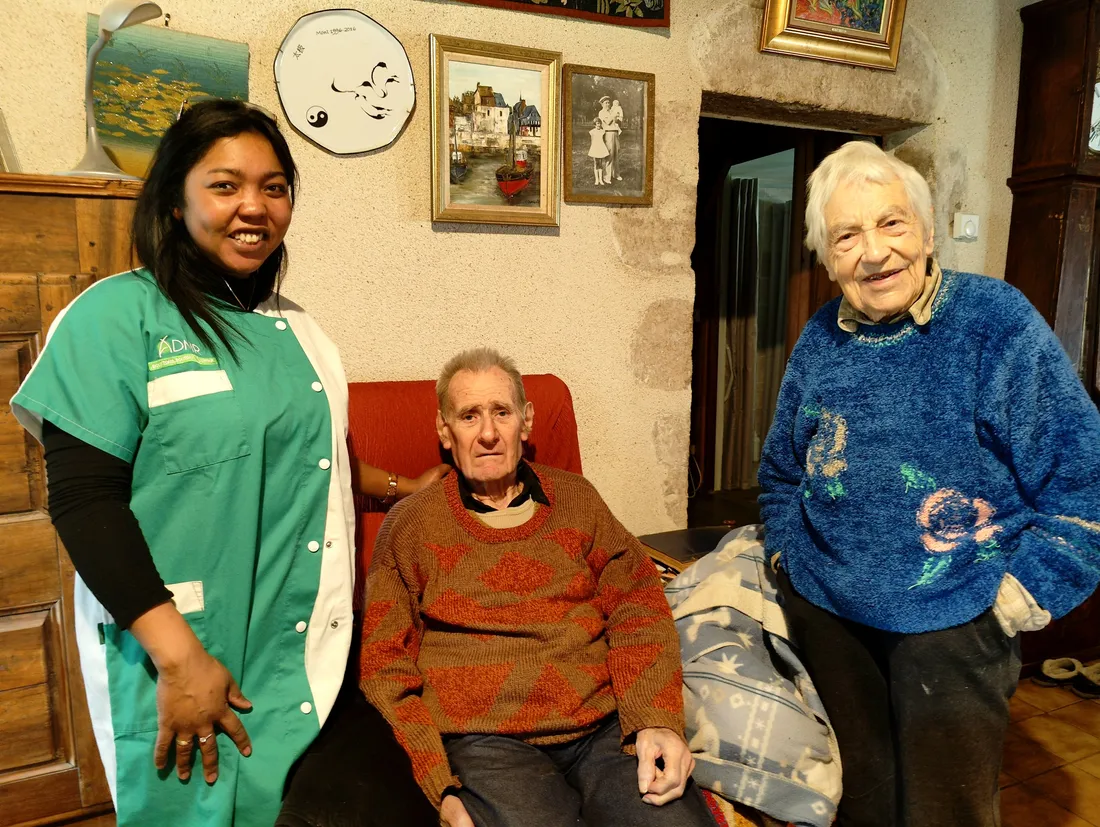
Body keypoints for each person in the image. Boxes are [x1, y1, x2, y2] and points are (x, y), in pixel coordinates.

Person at [10, 100, 437, 827]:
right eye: (225, 184)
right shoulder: (114, 318)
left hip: (299, 644)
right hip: (183, 649)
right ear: (175, 201)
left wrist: (404, 488)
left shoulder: (297, 329)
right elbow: (85, 501)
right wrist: (180, 660)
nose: (255, 206)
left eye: (275, 187)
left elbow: (313, 460)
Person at [758, 140, 1100, 826]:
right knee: (861, 804)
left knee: (947, 813)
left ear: (927, 229)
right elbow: (779, 469)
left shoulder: (995, 322)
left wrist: (1013, 599)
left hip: (953, 619)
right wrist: (784, 555)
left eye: (891, 223)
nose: (874, 253)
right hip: (830, 611)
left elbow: (1083, 481)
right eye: (847, 236)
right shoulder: (820, 338)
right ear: (828, 260)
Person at [358, 347, 716, 827]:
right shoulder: (410, 526)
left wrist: (655, 718)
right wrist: (436, 782)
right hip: (486, 742)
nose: (487, 433)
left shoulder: (577, 500)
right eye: (469, 416)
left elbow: (639, 605)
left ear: (525, 423)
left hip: (602, 730)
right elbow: (384, 665)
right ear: (445, 431)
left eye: (501, 413)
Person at [597, 96, 622, 183]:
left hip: (615, 133)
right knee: (610, 155)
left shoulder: (611, 111)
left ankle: (616, 174)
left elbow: (617, 121)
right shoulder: (601, 113)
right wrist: (613, 115)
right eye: (605, 103)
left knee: (616, 153)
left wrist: (617, 116)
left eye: (608, 102)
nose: (608, 104)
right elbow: (608, 122)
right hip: (608, 133)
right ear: (602, 104)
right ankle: (606, 177)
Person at [588, 116, 610, 186]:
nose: (599, 125)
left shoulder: (603, 131)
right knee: (595, 163)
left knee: (600, 163)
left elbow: (604, 140)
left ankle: (601, 179)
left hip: (601, 147)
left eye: (600, 123)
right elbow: (592, 141)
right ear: (595, 124)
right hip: (595, 148)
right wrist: (592, 149)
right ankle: (596, 179)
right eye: (597, 123)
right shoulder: (592, 132)